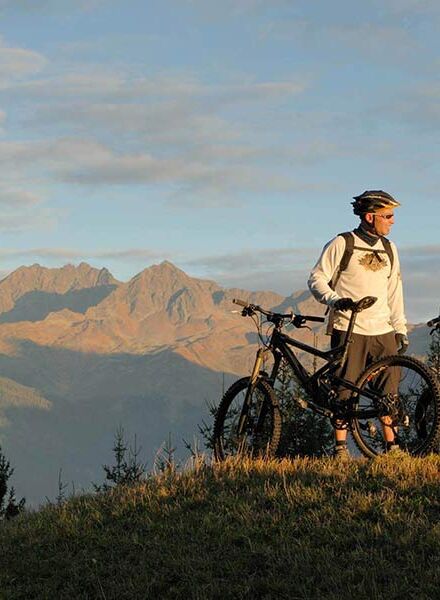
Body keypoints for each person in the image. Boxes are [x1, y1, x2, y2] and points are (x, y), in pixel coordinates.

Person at [308, 190, 408, 458]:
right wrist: (334, 300)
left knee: (388, 392)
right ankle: (340, 449)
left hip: (383, 330)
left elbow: (394, 291)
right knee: (344, 388)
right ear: (369, 216)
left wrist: (400, 328)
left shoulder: (390, 249)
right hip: (349, 328)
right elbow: (317, 278)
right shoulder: (343, 243)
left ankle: (393, 447)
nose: (392, 221)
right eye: (387, 216)